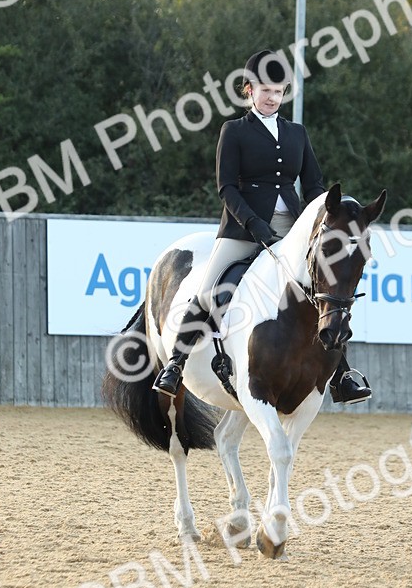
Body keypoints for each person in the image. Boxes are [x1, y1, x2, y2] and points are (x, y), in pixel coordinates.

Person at [152, 48, 372, 403]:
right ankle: (175, 364)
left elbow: (315, 187)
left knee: (321, 292)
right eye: (265, 90)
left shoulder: (297, 133)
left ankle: (341, 375)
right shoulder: (234, 131)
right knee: (208, 290)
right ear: (249, 89)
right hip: (242, 228)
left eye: (279, 91)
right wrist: (253, 223)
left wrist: (321, 220)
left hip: (292, 229)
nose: (272, 98)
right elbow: (227, 186)